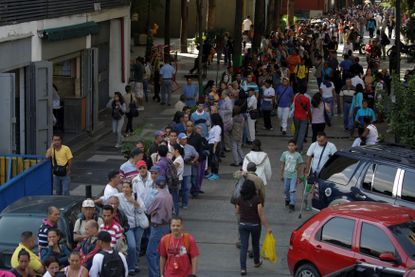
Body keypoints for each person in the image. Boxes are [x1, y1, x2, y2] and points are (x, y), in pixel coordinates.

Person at [99, 181, 146, 275]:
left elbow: (142, 210)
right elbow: (106, 198)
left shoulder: (135, 197)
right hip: (123, 230)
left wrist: (134, 202)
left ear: (131, 189)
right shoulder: (118, 196)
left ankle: (133, 265)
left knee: (135, 246)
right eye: (123, 187)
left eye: (127, 187)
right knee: (129, 247)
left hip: (135, 226)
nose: (125, 189)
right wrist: (93, 200)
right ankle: (128, 267)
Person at [236, 179, 271, 276]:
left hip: (243, 225)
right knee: (255, 244)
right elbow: (261, 215)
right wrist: (267, 227)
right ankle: (256, 262)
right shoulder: (257, 199)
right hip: (255, 225)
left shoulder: (240, 198)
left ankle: (243, 269)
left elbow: (237, 211)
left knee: (244, 246)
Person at [145, 176, 173, 277]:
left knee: (151, 253)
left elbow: (148, 210)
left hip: (157, 227)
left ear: (156, 184)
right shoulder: (168, 195)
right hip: (166, 226)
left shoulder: (158, 197)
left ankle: (155, 275)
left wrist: (153, 211)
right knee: (161, 252)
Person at [280, 140, 304, 212]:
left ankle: (292, 204)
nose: (291, 147)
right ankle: (287, 199)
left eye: (293, 145)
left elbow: (300, 166)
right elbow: (282, 164)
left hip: (294, 175)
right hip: (286, 175)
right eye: (290, 145)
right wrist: (281, 174)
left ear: (295, 146)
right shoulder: (284, 154)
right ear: (288, 146)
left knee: (292, 190)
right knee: (286, 189)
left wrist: (300, 176)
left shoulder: (298, 155)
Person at [178, 133, 199, 208]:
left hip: (187, 171)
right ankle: (176, 203)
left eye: (186, 139)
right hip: (178, 172)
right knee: (177, 189)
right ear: (179, 139)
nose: (185, 140)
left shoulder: (190, 147)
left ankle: (185, 203)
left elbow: (196, 154)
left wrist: (193, 161)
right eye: (183, 139)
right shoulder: (176, 147)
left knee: (186, 188)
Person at [207, 113, 222, 181]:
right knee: (212, 160)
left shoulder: (218, 127)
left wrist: (214, 147)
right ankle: (212, 172)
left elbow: (217, 138)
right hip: (211, 144)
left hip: (214, 144)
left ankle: (215, 174)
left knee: (215, 160)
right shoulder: (214, 126)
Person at [172, 144, 184, 215]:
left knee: (175, 198)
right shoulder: (177, 158)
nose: (171, 152)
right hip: (177, 179)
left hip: (177, 180)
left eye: (172, 150)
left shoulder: (178, 159)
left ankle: (176, 213)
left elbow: (172, 168)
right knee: (174, 197)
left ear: (176, 150)